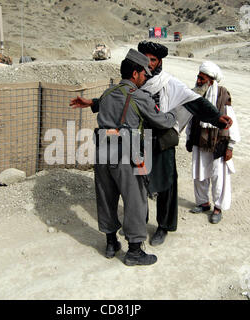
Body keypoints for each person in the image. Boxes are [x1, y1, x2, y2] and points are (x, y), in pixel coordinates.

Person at [71, 42, 232, 247]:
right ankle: (138, 226)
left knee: (166, 185)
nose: (148, 65)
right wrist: (93, 103)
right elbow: (120, 99)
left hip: (162, 140)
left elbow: (195, 102)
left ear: (160, 62)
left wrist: (217, 118)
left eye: (152, 60)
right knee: (139, 188)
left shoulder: (169, 83)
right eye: (145, 60)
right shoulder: (136, 83)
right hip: (138, 144)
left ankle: (163, 227)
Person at [89, 48, 178, 266]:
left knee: (106, 198)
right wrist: (175, 114)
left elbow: (97, 107)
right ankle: (135, 251)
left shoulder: (108, 93)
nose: (146, 77)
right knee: (135, 201)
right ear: (135, 73)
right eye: (144, 74)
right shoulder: (138, 97)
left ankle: (111, 244)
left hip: (101, 153)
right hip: (126, 155)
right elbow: (162, 121)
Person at [186, 61, 241, 224]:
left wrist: (230, 146)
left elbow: (232, 122)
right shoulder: (195, 94)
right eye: (198, 77)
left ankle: (218, 207)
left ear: (211, 80)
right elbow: (190, 118)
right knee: (199, 173)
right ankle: (203, 203)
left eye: (202, 78)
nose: (199, 80)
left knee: (219, 176)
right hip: (199, 139)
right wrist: (189, 137)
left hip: (218, 142)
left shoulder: (223, 94)